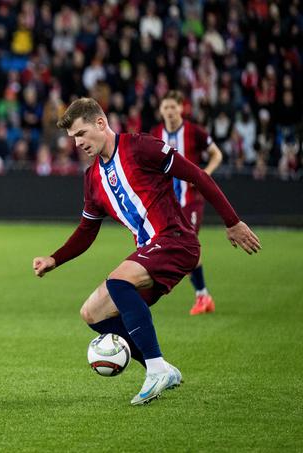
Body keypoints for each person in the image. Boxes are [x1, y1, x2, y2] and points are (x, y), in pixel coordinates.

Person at [32, 98, 260, 405]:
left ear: (101, 123)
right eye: (74, 138)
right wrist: (54, 259)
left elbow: (198, 175)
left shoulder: (140, 147)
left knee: (118, 282)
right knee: (92, 312)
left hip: (176, 240)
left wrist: (232, 222)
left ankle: (155, 369)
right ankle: (161, 367)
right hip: (152, 250)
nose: (79, 142)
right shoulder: (92, 178)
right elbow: (87, 231)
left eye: (83, 133)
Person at [150, 90, 224, 315]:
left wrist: (204, 175)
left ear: (181, 108)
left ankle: (202, 295)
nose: (170, 111)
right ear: (161, 110)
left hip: (190, 200)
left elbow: (217, 154)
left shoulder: (194, 132)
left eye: (174, 107)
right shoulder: (155, 133)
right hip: (165, 202)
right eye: (166, 107)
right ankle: (201, 296)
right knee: (169, 245)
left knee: (187, 246)